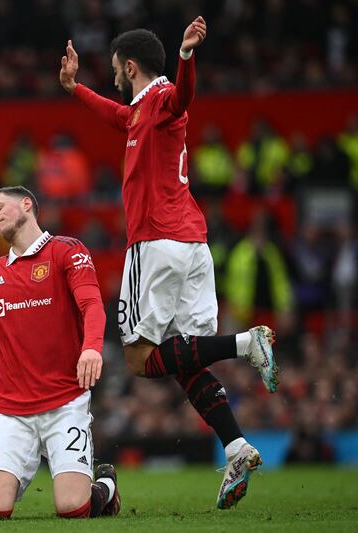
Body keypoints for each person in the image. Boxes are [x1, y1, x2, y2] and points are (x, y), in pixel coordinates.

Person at [59, 17, 279, 509]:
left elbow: (182, 99)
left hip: (157, 244)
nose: (114, 76)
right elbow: (118, 114)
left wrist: (185, 57)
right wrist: (76, 89)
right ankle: (238, 448)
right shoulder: (140, 111)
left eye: (116, 69)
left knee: (139, 359)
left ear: (130, 66)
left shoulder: (161, 98)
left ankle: (248, 343)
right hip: (192, 244)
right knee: (184, 357)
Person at [0, 186, 120, 520]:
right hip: (10, 408)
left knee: (73, 509)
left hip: (64, 400)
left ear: (26, 204)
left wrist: (92, 348)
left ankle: (104, 485)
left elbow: (92, 304)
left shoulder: (67, 251)